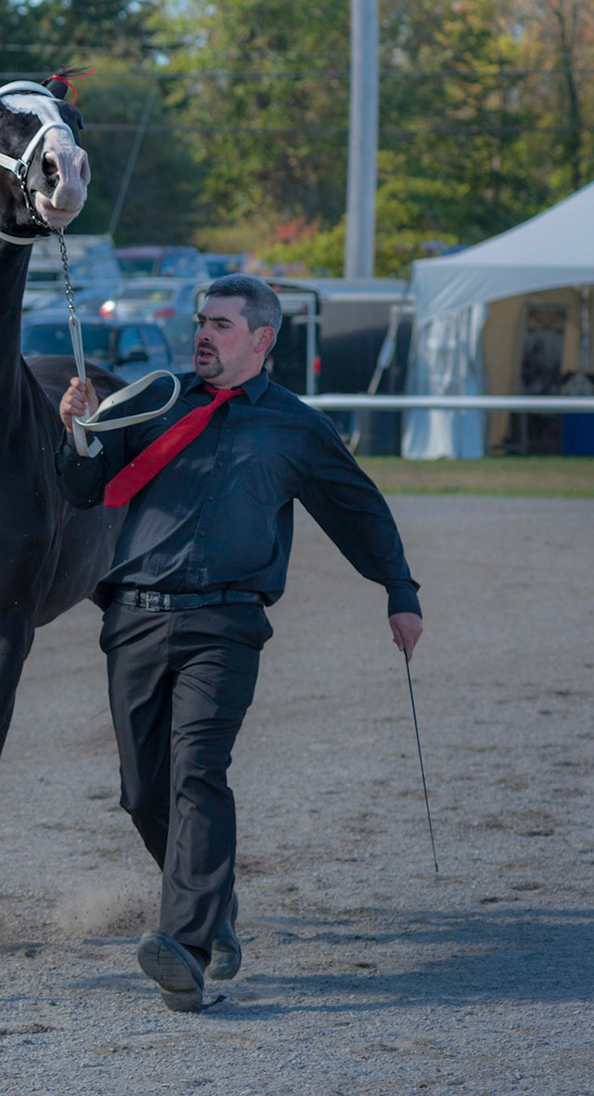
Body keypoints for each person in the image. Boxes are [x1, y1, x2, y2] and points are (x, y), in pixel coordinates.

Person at [53, 274, 423, 1014]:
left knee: (198, 771)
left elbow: (359, 509)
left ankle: (184, 950)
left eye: (220, 324)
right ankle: (211, 901)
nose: (203, 334)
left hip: (225, 623)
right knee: (141, 793)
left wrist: (400, 591)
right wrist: (79, 431)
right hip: (133, 618)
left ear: (261, 338)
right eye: (200, 322)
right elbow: (84, 489)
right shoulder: (152, 401)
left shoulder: (296, 426)